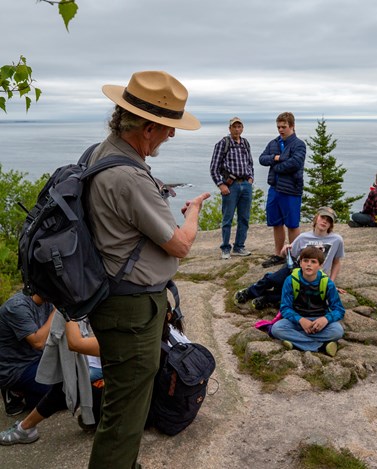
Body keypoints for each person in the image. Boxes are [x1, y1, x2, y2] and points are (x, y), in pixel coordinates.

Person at [85, 70, 210, 468]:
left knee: (129, 402)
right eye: (168, 129)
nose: (171, 136)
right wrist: (193, 213)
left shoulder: (99, 153)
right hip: (131, 310)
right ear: (149, 127)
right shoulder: (129, 177)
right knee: (125, 414)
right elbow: (180, 244)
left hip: (115, 301)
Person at [0, 314, 102, 445]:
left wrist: (65, 309)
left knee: (70, 386)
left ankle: (25, 426)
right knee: (66, 384)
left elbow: (75, 343)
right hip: (23, 365)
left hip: (105, 365)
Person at [234, 207, 344, 309]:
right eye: (322, 217)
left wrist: (331, 283)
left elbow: (336, 262)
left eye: (329, 220)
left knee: (297, 295)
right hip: (296, 268)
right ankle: (250, 292)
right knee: (273, 279)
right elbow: (288, 256)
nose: (325, 221)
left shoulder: (336, 240)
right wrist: (284, 250)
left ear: (331, 224)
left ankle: (267, 298)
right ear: (316, 218)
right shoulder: (303, 237)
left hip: (315, 276)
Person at [269, 246, 345, 356]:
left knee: (337, 331)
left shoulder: (327, 283)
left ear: (320, 265)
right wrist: (300, 320)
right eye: (305, 261)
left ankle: (296, 342)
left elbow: (339, 309)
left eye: (313, 262)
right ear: (300, 263)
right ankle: (321, 346)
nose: (309, 264)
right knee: (277, 329)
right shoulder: (291, 280)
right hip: (297, 320)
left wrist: (325, 319)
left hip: (319, 321)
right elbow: (285, 308)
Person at [259, 112, 306, 268]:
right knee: (276, 223)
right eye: (278, 127)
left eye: (284, 127)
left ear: (292, 126)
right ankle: (279, 254)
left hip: (291, 189)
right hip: (275, 189)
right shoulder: (274, 143)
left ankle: (295, 256)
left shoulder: (299, 144)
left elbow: (295, 163)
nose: (280, 130)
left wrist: (276, 166)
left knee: (292, 224)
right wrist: (277, 158)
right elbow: (262, 159)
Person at [0, 292, 54, 416]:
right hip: (15, 368)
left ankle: (31, 394)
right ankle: (14, 390)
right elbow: (38, 342)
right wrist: (56, 313)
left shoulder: (48, 301)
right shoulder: (16, 307)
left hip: (38, 358)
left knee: (72, 384)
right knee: (63, 392)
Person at [209, 116, 255, 259]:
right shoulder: (223, 143)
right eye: (234, 127)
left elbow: (250, 163)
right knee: (227, 218)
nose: (237, 129)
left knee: (244, 218)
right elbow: (214, 167)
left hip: (245, 184)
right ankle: (225, 248)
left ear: (242, 128)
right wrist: (221, 184)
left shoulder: (245, 143)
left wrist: (250, 178)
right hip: (231, 185)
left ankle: (239, 247)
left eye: (239, 126)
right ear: (230, 129)